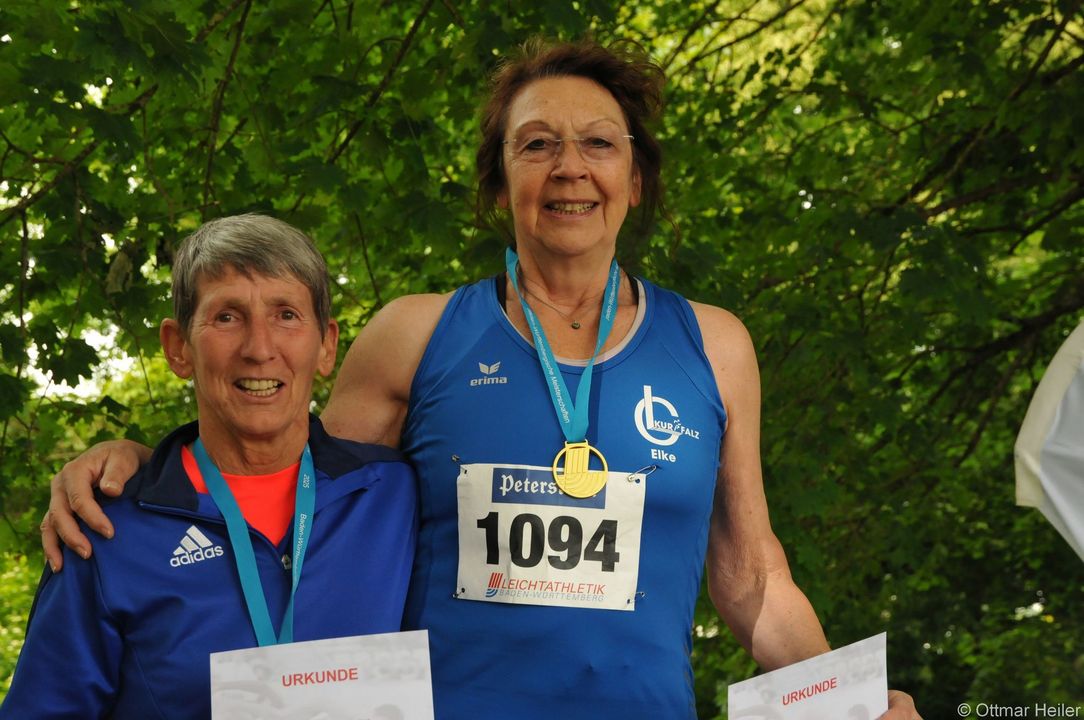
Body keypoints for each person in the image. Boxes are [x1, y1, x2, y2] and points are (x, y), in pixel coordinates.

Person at [42, 40, 919, 719]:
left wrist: (850, 703)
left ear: (635, 179)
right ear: (500, 184)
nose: (569, 167)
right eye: (536, 145)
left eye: (598, 143)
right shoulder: (413, 337)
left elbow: (752, 577)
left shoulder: (715, 346)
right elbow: (293, 498)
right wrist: (144, 471)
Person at [7, 215, 417, 718]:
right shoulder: (106, 531)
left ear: (326, 345)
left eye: (286, 315)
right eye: (227, 317)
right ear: (178, 347)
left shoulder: (395, 494)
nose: (259, 348)